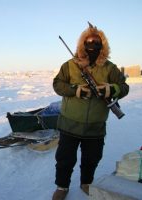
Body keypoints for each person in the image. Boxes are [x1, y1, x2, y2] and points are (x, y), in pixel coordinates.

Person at [52, 23, 129, 200]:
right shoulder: (70, 65)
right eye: (88, 41)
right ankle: (62, 187)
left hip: (95, 125)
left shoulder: (110, 67)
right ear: (82, 43)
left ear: (103, 44)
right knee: (65, 159)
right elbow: (57, 84)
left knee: (92, 159)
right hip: (69, 123)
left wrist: (111, 89)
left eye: (96, 41)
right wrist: (75, 90)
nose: (92, 44)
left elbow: (124, 87)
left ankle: (86, 183)